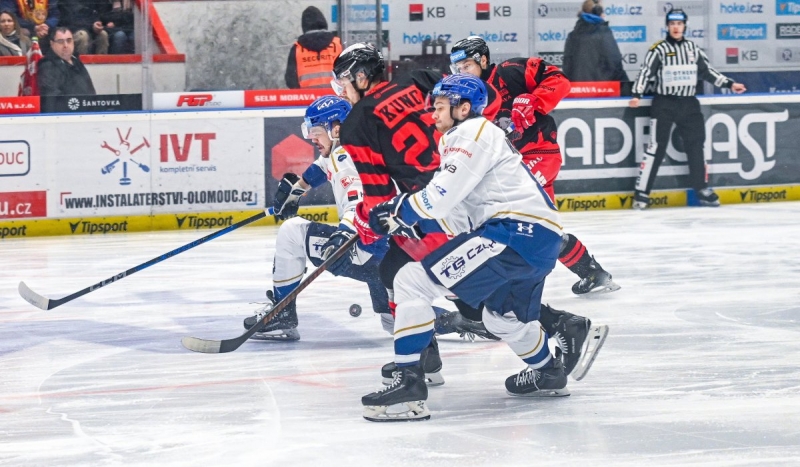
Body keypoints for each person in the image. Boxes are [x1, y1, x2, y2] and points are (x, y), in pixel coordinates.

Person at [361, 74, 608, 422]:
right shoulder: (477, 138)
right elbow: (457, 215)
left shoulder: (471, 132)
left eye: (440, 107)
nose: (433, 114)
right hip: (539, 239)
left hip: (511, 235)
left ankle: (409, 387)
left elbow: (440, 197)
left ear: (464, 108)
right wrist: (407, 219)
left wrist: (398, 209)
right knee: (502, 318)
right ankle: (550, 373)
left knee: (411, 282)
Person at [332, 43, 501, 387]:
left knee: (465, 287)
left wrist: (365, 224)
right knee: (395, 271)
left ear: (362, 77)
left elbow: (379, 196)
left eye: (344, 81)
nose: (342, 90)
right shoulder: (420, 78)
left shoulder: (357, 122)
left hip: (431, 209)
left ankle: (557, 326)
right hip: (470, 188)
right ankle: (422, 358)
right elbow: (487, 98)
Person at [449, 36, 619, 295]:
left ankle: (497, 287)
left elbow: (558, 79)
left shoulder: (509, 71)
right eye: (458, 68)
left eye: (467, 66)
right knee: (539, 229)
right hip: (509, 164)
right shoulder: (467, 97)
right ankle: (591, 272)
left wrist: (533, 99)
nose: (463, 73)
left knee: (511, 214)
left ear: (483, 60)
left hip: (538, 153)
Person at [241, 95, 391, 341]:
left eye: (317, 131)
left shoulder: (345, 158)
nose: (312, 138)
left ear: (337, 128)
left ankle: (282, 314)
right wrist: (296, 192)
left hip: (362, 248)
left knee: (292, 233)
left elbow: (358, 204)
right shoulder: (355, 146)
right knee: (397, 320)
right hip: (385, 255)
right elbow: (321, 167)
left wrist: (342, 237)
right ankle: (461, 320)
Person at [629, 9, 746, 210]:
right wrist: (637, 94)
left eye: (680, 23)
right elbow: (645, 72)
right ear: (667, 26)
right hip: (665, 102)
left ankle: (702, 189)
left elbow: (708, 72)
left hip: (688, 103)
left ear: (685, 26)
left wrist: (729, 84)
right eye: (672, 24)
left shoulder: (693, 49)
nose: (676, 27)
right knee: (656, 147)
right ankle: (642, 193)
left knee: (696, 146)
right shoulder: (659, 49)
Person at [562, 0, 628, 83]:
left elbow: (567, 67)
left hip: (577, 91)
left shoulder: (572, 35)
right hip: (603, 90)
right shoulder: (604, 33)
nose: (604, 15)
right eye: (602, 11)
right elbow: (615, 64)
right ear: (598, 12)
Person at [284, 6, 341, 89]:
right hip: (336, 98)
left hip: (307, 100)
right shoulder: (338, 44)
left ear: (304, 26)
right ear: (324, 23)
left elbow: (290, 79)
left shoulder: (297, 49)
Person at [37, 27, 96, 96]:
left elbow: (90, 90)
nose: (66, 45)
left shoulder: (76, 60)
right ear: (52, 44)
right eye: (60, 42)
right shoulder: (47, 65)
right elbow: (51, 97)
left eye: (69, 40)